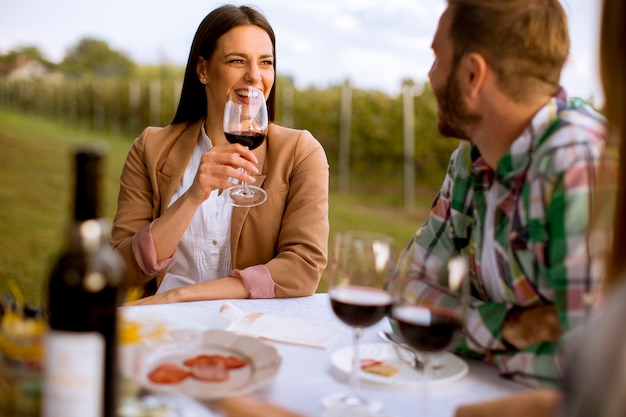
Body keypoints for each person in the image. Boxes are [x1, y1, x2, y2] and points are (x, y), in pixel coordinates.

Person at [398, 0, 616, 389]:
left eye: (436, 58)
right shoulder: (470, 158)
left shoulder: (577, 160)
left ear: (471, 75)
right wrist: (510, 325)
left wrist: (463, 329)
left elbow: (592, 367)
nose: (430, 76)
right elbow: (407, 290)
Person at [111, 5, 329, 304]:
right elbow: (119, 271)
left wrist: (181, 296)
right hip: (159, 324)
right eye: (237, 60)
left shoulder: (300, 152)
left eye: (266, 62)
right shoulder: (150, 148)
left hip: (251, 326)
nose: (254, 76)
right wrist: (193, 195)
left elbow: (303, 267)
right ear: (203, 70)